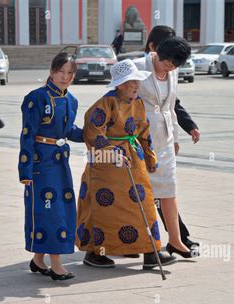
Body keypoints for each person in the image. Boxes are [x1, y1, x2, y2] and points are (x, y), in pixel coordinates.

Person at [76, 59, 177, 270]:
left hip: (133, 161)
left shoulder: (137, 102)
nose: (136, 85)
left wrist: (150, 157)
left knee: (145, 205)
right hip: (107, 167)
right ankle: (95, 252)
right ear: (121, 84)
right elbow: (93, 132)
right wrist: (112, 153)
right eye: (132, 82)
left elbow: (143, 132)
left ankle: (151, 252)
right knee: (107, 211)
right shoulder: (105, 104)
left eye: (136, 81)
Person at [19, 52, 84, 281]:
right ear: (52, 70)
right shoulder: (36, 98)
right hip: (40, 164)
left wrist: (91, 134)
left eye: (69, 73)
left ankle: (38, 260)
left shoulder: (71, 101)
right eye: (61, 71)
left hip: (60, 163)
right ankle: (56, 265)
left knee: (62, 208)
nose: (64, 77)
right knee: (50, 210)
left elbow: (69, 132)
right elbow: (27, 135)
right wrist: (25, 170)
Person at [133, 36, 198, 258]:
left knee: (169, 190)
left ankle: (176, 241)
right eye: (166, 63)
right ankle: (146, 244)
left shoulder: (174, 72)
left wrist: (178, 137)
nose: (169, 68)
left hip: (166, 140)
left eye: (174, 65)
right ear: (157, 53)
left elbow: (171, 107)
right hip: (141, 140)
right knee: (144, 194)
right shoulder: (138, 66)